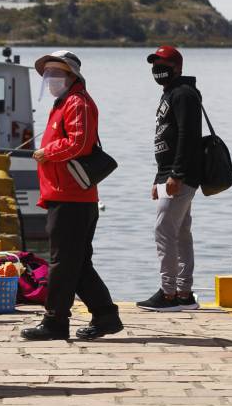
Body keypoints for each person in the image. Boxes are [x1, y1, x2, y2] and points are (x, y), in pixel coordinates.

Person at [20, 50, 123, 341]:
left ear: (72, 75)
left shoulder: (78, 102)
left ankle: (55, 321)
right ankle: (105, 315)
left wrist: (46, 152)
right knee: (76, 262)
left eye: (57, 72)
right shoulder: (63, 103)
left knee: (63, 261)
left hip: (72, 196)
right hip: (63, 193)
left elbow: (79, 143)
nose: (51, 77)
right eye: (48, 72)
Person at [138, 45, 203, 312]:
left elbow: (188, 136)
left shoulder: (184, 94)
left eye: (163, 65)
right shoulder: (170, 93)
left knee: (164, 230)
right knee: (180, 232)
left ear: (177, 67)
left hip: (180, 174)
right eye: (154, 65)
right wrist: (159, 178)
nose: (157, 70)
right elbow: (166, 138)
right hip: (169, 174)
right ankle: (184, 294)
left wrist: (176, 175)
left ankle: (168, 295)